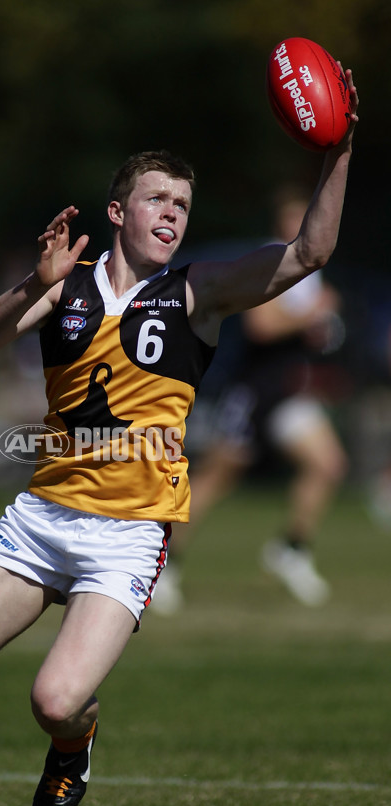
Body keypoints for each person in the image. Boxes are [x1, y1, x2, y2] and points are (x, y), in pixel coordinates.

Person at [0, 68, 358, 806]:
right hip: (40, 518)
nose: (174, 215)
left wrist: (340, 145)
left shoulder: (199, 293)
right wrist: (34, 281)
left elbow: (310, 251)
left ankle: (74, 739)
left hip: (127, 533)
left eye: (184, 205)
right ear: (119, 210)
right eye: (159, 199)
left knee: (54, 701)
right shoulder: (70, 285)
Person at [157, 188, 350, 613]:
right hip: (255, 391)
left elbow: (303, 323)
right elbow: (262, 325)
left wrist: (319, 325)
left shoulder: (313, 271)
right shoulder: (272, 259)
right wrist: (313, 314)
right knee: (215, 479)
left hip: (286, 393)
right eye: (296, 218)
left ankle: (291, 549)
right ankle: (161, 565)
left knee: (328, 464)